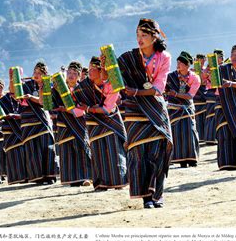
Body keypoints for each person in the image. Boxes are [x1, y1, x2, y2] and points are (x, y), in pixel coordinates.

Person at [117, 18, 173, 209]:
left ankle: (157, 195)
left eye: (144, 35)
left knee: (157, 152)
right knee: (139, 153)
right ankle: (145, 197)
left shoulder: (164, 57)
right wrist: (107, 67)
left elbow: (159, 87)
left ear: (154, 36)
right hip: (134, 110)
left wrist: (137, 92)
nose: (139, 39)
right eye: (137, 35)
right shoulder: (128, 58)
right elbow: (116, 82)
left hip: (155, 108)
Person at [74, 56, 128, 191]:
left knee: (113, 151)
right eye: (89, 68)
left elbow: (107, 108)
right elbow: (76, 108)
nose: (89, 72)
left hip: (110, 121)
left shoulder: (111, 85)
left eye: (93, 69)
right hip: (93, 124)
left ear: (101, 71)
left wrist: (87, 108)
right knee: (98, 154)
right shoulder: (83, 87)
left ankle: (118, 180)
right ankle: (100, 183)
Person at [52, 61, 93, 187]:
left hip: (79, 122)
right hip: (63, 123)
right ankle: (72, 178)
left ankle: (87, 177)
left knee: (82, 149)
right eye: (69, 72)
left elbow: (84, 108)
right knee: (67, 150)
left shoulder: (83, 88)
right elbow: (47, 104)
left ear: (80, 76)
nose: (71, 75)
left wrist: (68, 110)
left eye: (74, 73)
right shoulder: (59, 89)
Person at [20, 62, 59, 185]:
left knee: (46, 147)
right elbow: (19, 97)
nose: (36, 75)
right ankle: (37, 176)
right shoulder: (27, 85)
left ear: (45, 75)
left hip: (42, 119)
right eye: (35, 72)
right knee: (33, 149)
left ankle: (50, 175)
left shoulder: (48, 86)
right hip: (28, 120)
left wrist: (33, 96)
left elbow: (43, 102)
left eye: (40, 73)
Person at [165, 51, 201, 168]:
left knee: (189, 131)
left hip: (186, 109)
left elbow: (190, 96)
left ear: (187, 65)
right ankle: (179, 159)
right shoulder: (170, 77)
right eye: (178, 62)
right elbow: (163, 89)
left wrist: (175, 94)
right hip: (173, 109)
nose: (178, 64)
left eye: (181, 63)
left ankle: (192, 158)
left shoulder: (195, 78)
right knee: (176, 133)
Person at [0, 84, 27, 184]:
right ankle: (15, 177)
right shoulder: (3, 101)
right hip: (8, 130)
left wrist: (18, 116)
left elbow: (30, 113)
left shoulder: (24, 99)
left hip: (23, 129)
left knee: (23, 153)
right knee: (12, 153)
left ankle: (26, 177)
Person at [202, 49, 224, 144]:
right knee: (211, 115)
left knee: (220, 115)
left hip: (221, 92)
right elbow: (203, 80)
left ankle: (218, 137)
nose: (218, 59)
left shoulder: (225, 66)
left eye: (219, 57)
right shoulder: (209, 68)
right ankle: (210, 138)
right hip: (211, 92)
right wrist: (208, 73)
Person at [192, 54, 207, 142]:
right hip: (196, 96)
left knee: (205, 117)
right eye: (199, 59)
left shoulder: (207, 70)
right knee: (197, 118)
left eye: (202, 59)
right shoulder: (191, 70)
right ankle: (198, 137)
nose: (201, 61)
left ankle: (205, 136)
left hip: (205, 95)